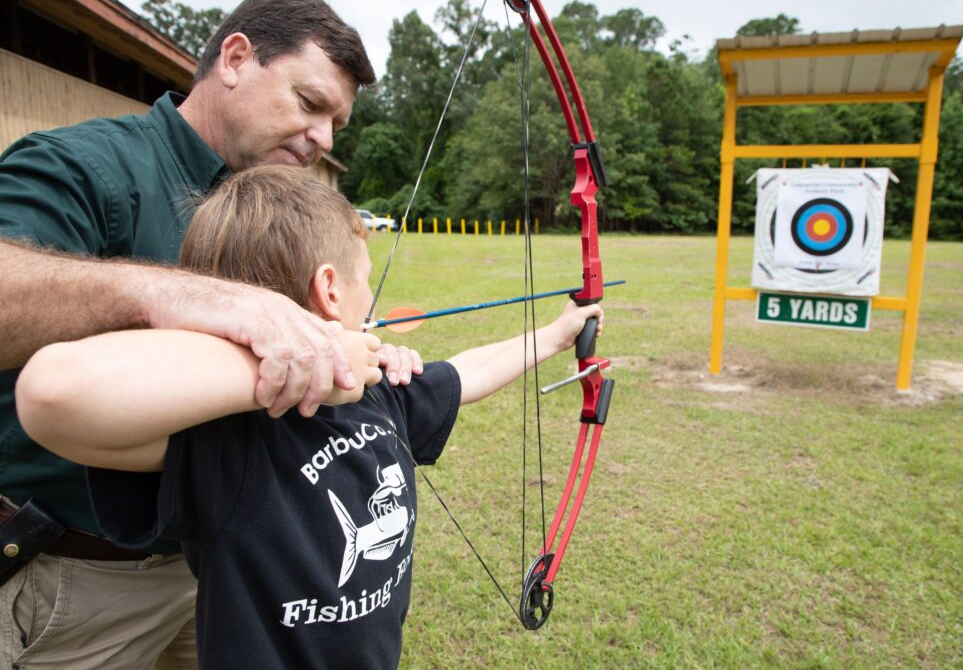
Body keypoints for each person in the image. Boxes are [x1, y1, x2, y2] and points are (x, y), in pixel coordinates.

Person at [15, 165, 604, 669]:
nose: (370, 301)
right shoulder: (225, 438)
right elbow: (51, 392)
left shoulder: (377, 390)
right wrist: (305, 358)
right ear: (329, 289)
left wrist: (555, 335)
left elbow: (467, 374)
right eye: (365, 281)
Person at [0, 0, 420, 667]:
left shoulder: (270, 199)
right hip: (76, 578)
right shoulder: (90, 165)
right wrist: (184, 297)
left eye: (337, 121)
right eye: (311, 103)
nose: (325, 139)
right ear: (234, 58)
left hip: (224, 566)